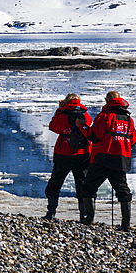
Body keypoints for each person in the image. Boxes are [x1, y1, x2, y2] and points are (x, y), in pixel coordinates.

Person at [76, 90, 136, 231]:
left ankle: (89, 219)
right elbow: (133, 140)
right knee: (123, 191)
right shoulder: (129, 119)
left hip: (103, 158)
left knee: (89, 187)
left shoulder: (105, 116)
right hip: (121, 159)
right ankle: (125, 224)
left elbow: (94, 135)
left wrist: (82, 125)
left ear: (107, 100)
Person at [44, 93, 92, 221]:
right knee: (82, 184)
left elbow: (53, 126)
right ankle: (84, 215)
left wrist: (59, 109)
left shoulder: (62, 114)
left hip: (63, 154)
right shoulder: (85, 114)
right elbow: (89, 126)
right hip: (82, 154)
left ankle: (51, 213)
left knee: (55, 183)